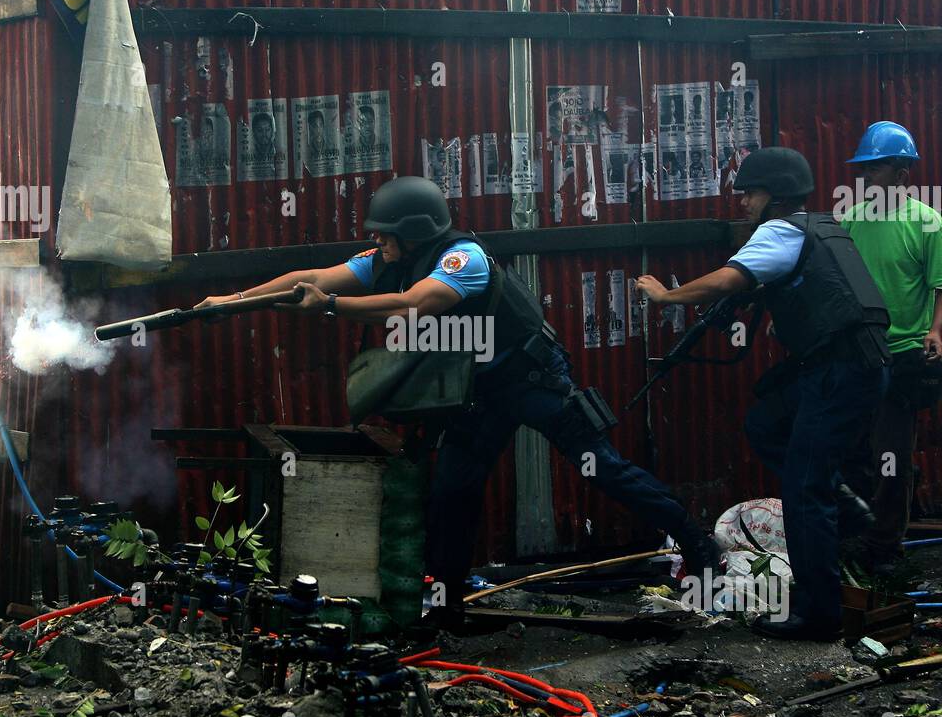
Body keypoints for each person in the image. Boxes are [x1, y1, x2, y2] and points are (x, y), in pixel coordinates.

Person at [196, 176, 722, 629]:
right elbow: (307, 279)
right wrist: (234, 302)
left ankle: (697, 545)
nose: (376, 240)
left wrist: (331, 306)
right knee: (452, 491)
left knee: (600, 468)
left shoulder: (461, 257)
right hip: (480, 392)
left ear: (416, 230)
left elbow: (415, 303)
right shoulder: (384, 258)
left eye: (386, 232)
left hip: (531, 379)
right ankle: (446, 611)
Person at [637, 148, 891, 640]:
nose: (744, 203)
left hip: (838, 374)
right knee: (766, 421)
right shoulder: (822, 227)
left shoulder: (779, 232)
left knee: (803, 492)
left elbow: (729, 279)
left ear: (773, 195)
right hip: (856, 368)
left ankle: (818, 615)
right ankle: (843, 502)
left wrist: (667, 295)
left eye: (750, 194)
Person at [841, 122, 942, 574]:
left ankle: (886, 549)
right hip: (856, 354)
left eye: (878, 167)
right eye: (865, 168)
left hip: (902, 355)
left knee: (891, 457)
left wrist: (936, 331)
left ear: (903, 170)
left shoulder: (926, 223)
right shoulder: (850, 219)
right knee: (852, 452)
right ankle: (855, 540)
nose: (869, 175)